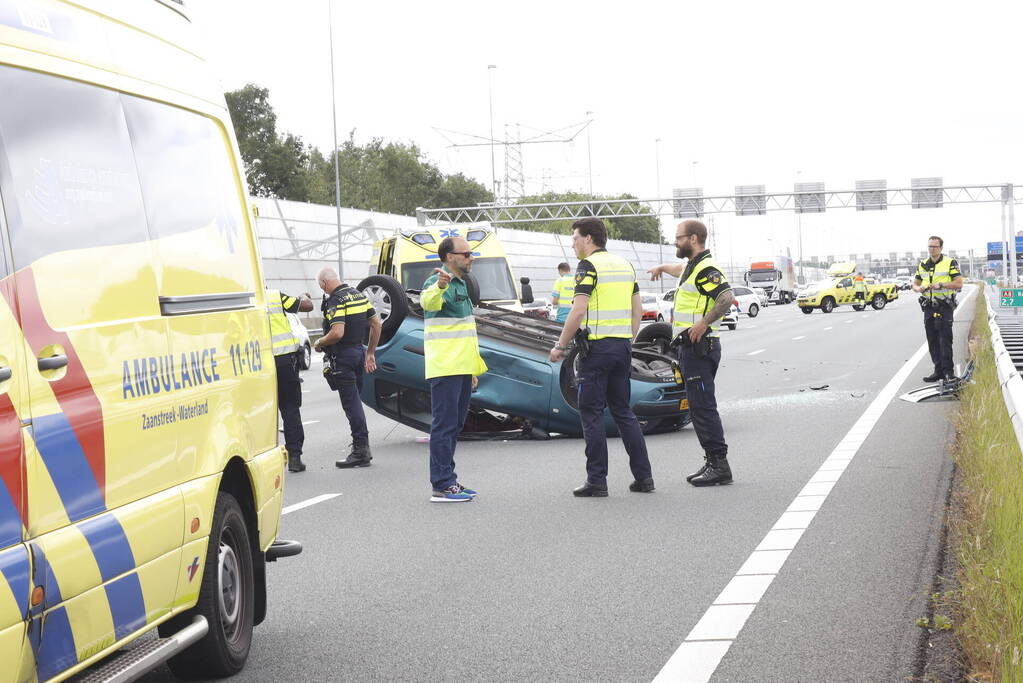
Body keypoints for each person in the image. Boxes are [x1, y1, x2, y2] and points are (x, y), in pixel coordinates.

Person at [549, 218, 654, 497]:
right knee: (623, 412)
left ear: (588, 238)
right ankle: (644, 477)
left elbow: (579, 309)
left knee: (592, 414)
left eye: (574, 238)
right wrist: (628, 340)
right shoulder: (625, 265)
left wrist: (560, 345)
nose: (572, 244)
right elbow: (637, 310)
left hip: (595, 351)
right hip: (621, 348)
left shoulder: (588, 267)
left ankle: (597, 480)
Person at [648, 219, 736, 487]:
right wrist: (663, 267)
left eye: (679, 237)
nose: (675, 241)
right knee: (699, 406)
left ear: (694, 238)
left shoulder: (706, 268)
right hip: (691, 347)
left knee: (703, 407)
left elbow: (726, 296)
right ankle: (713, 461)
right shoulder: (692, 266)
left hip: (700, 345)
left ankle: (719, 465)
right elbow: (679, 269)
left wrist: (703, 323)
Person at [421, 236, 488, 503]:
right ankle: (441, 484)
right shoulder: (437, 281)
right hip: (446, 366)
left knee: (455, 424)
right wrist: (439, 285)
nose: (471, 258)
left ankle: (449, 480)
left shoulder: (461, 283)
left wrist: (471, 369)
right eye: (467, 254)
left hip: (460, 367)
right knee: (444, 425)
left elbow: (465, 331)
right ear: (450, 257)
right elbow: (426, 302)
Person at [314, 267, 382, 468]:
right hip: (358, 354)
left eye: (321, 287)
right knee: (356, 402)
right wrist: (370, 352)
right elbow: (377, 324)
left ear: (325, 284)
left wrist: (319, 343)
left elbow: (337, 333)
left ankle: (361, 450)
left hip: (342, 357)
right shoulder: (358, 295)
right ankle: (361, 447)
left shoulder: (336, 300)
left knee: (351, 405)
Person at [268, 289, 314, 472]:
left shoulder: (242, 298)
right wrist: (302, 297)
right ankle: (294, 456)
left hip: (255, 365)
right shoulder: (274, 296)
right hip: (283, 362)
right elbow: (307, 306)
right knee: (290, 409)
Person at [913, 236, 963, 383]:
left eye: (934, 247)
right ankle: (938, 371)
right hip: (928, 306)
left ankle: (948, 372)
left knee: (945, 339)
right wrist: (919, 288)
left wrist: (941, 285)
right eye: (929, 246)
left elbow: (959, 284)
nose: (931, 249)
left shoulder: (950, 262)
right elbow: (915, 284)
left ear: (941, 248)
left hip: (944, 306)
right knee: (932, 340)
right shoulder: (922, 264)